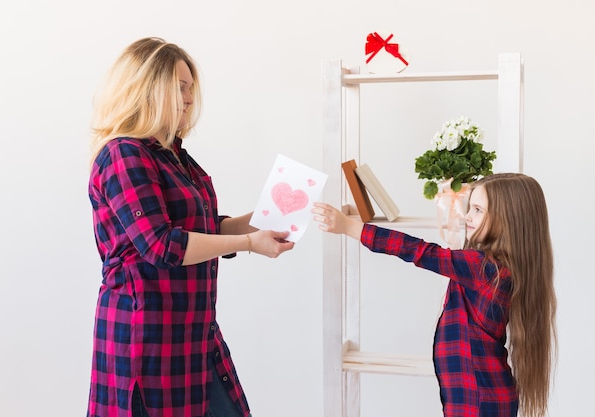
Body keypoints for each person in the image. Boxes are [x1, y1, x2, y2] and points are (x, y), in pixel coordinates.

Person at [85, 37, 295, 417]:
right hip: (147, 339)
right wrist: (250, 242)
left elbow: (205, 228)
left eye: (190, 88)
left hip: (194, 334)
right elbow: (162, 245)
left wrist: (271, 217)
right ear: (149, 89)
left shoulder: (174, 156)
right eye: (179, 87)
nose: (188, 97)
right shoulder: (123, 154)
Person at [312, 173, 557, 417]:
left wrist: (349, 227)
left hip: (478, 399)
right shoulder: (495, 267)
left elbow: (420, 251)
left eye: (479, 210)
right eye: (470, 207)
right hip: (481, 395)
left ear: (509, 220)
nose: (468, 217)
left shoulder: (484, 268)